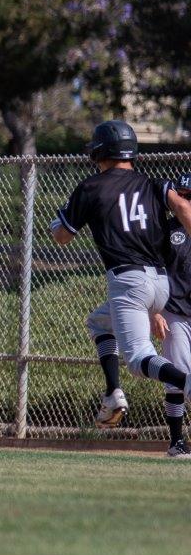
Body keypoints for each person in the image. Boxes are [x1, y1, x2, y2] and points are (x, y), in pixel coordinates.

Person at [53, 120, 191, 457]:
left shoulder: (92, 187)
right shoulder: (150, 183)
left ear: (100, 151)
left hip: (128, 281)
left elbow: (62, 236)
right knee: (100, 322)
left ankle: (187, 382)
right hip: (161, 283)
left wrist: (60, 223)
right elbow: (183, 206)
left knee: (139, 358)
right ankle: (113, 392)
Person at [88, 172, 191, 458]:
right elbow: (151, 277)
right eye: (181, 195)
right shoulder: (168, 231)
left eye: (188, 196)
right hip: (175, 311)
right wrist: (154, 311)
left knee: (176, 375)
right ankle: (176, 442)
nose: (184, 200)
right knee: (180, 375)